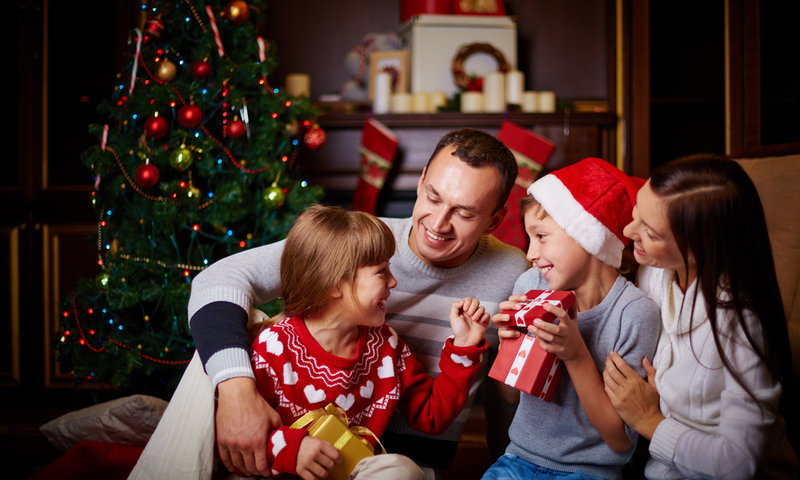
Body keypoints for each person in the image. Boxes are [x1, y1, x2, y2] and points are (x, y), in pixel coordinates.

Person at [128, 128, 530, 480]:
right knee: (236, 322)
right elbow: (217, 280)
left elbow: (510, 388)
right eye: (432, 196)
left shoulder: (514, 274)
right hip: (293, 446)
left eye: (463, 212)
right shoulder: (357, 245)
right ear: (422, 179)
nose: (438, 223)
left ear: (494, 220)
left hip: (395, 461)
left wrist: (506, 461)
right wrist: (237, 393)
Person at [244, 205, 491, 480]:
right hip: (282, 473)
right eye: (381, 271)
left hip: (352, 473)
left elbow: (431, 415)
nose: (394, 281)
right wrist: (293, 450)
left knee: (403, 471)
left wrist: (464, 347)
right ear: (335, 284)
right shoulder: (274, 347)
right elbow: (245, 432)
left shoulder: (385, 346)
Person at [602, 154, 797, 479]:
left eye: (650, 231)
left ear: (702, 248)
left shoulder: (738, 324)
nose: (628, 229)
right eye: (638, 210)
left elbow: (738, 464)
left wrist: (649, 419)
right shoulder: (655, 272)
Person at [482, 158, 661, 480]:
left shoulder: (634, 314)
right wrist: (509, 344)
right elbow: (508, 395)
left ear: (588, 236)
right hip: (517, 460)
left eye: (541, 236)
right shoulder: (530, 285)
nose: (530, 254)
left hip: (590, 472)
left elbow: (620, 440)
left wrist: (575, 353)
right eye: (529, 238)